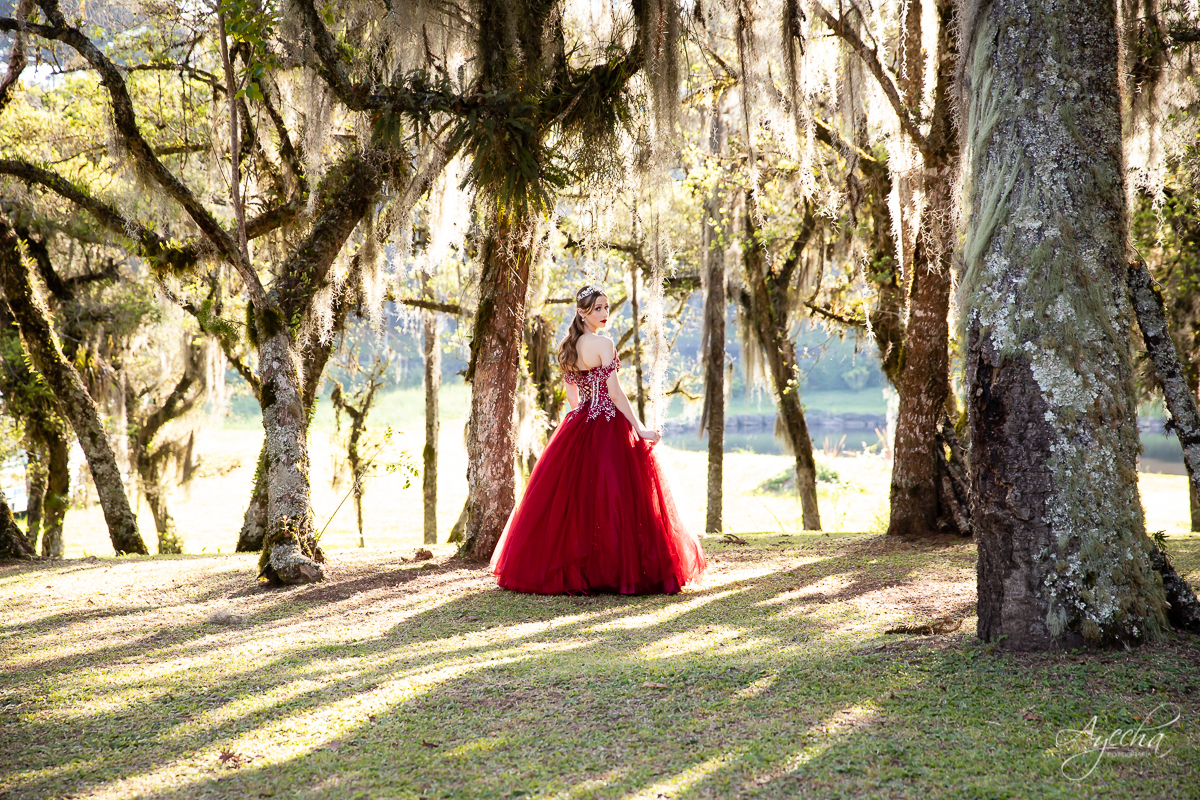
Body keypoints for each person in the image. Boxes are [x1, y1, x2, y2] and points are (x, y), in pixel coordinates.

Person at [490, 284, 708, 595]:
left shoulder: (568, 347)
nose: (604, 314)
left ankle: (588, 570)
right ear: (582, 312)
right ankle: (615, 571)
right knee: (617, 494)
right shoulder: (603, 344)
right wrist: (640, 428)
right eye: (597, 309)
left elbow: (572, 398)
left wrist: (583, 421)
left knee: (578, 498)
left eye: (606, 307)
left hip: (580, 423)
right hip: (607, 423)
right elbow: (616, 394)